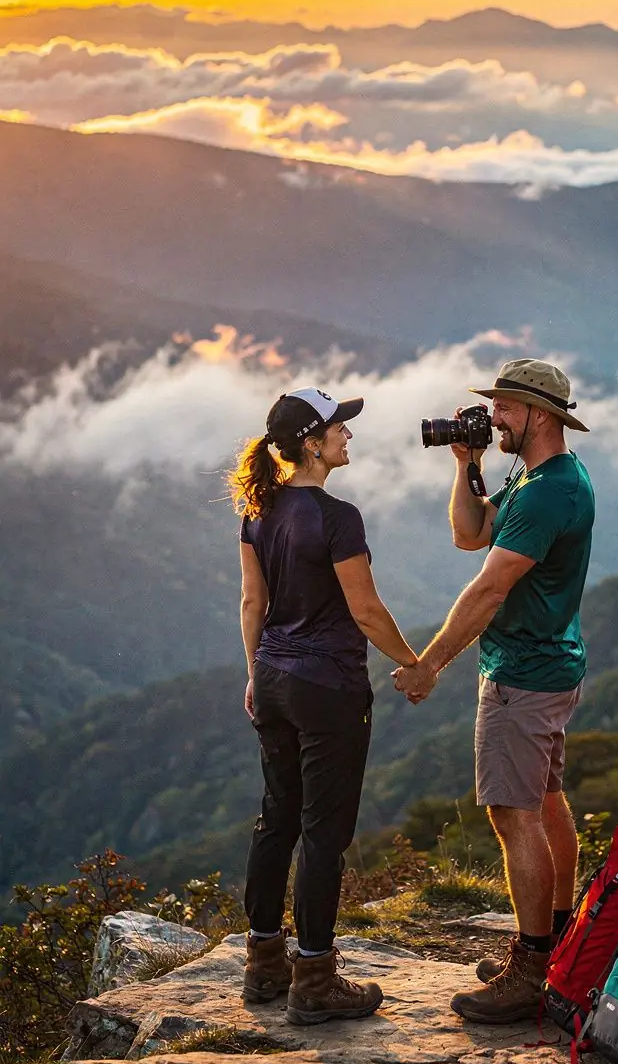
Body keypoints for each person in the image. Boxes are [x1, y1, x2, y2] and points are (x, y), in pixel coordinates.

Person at [393, 359, 594, 1023]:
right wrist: (464, 463)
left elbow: (487, 586)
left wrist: (429, 665)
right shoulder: (537, 479)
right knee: (543, 798)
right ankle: (559, 938)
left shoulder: (546, 493)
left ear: (540, 414)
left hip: (522, 677)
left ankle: (531, 971)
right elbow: (468, 534)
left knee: (513, 816)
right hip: (548, 664)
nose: (494, 416)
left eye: (505, 407)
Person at [230, 386, 418, 1025]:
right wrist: (416, 664)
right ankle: (313, 979)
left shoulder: (258, 510)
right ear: (312, 442)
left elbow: (253, 604)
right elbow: (365, 609)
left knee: (276, 819)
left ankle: (263, 966)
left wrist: (256, 673)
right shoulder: (338, 517)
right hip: (328, 687)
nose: (348, 435)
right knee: (323, 831)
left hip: (276, 682)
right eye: (339, 427)